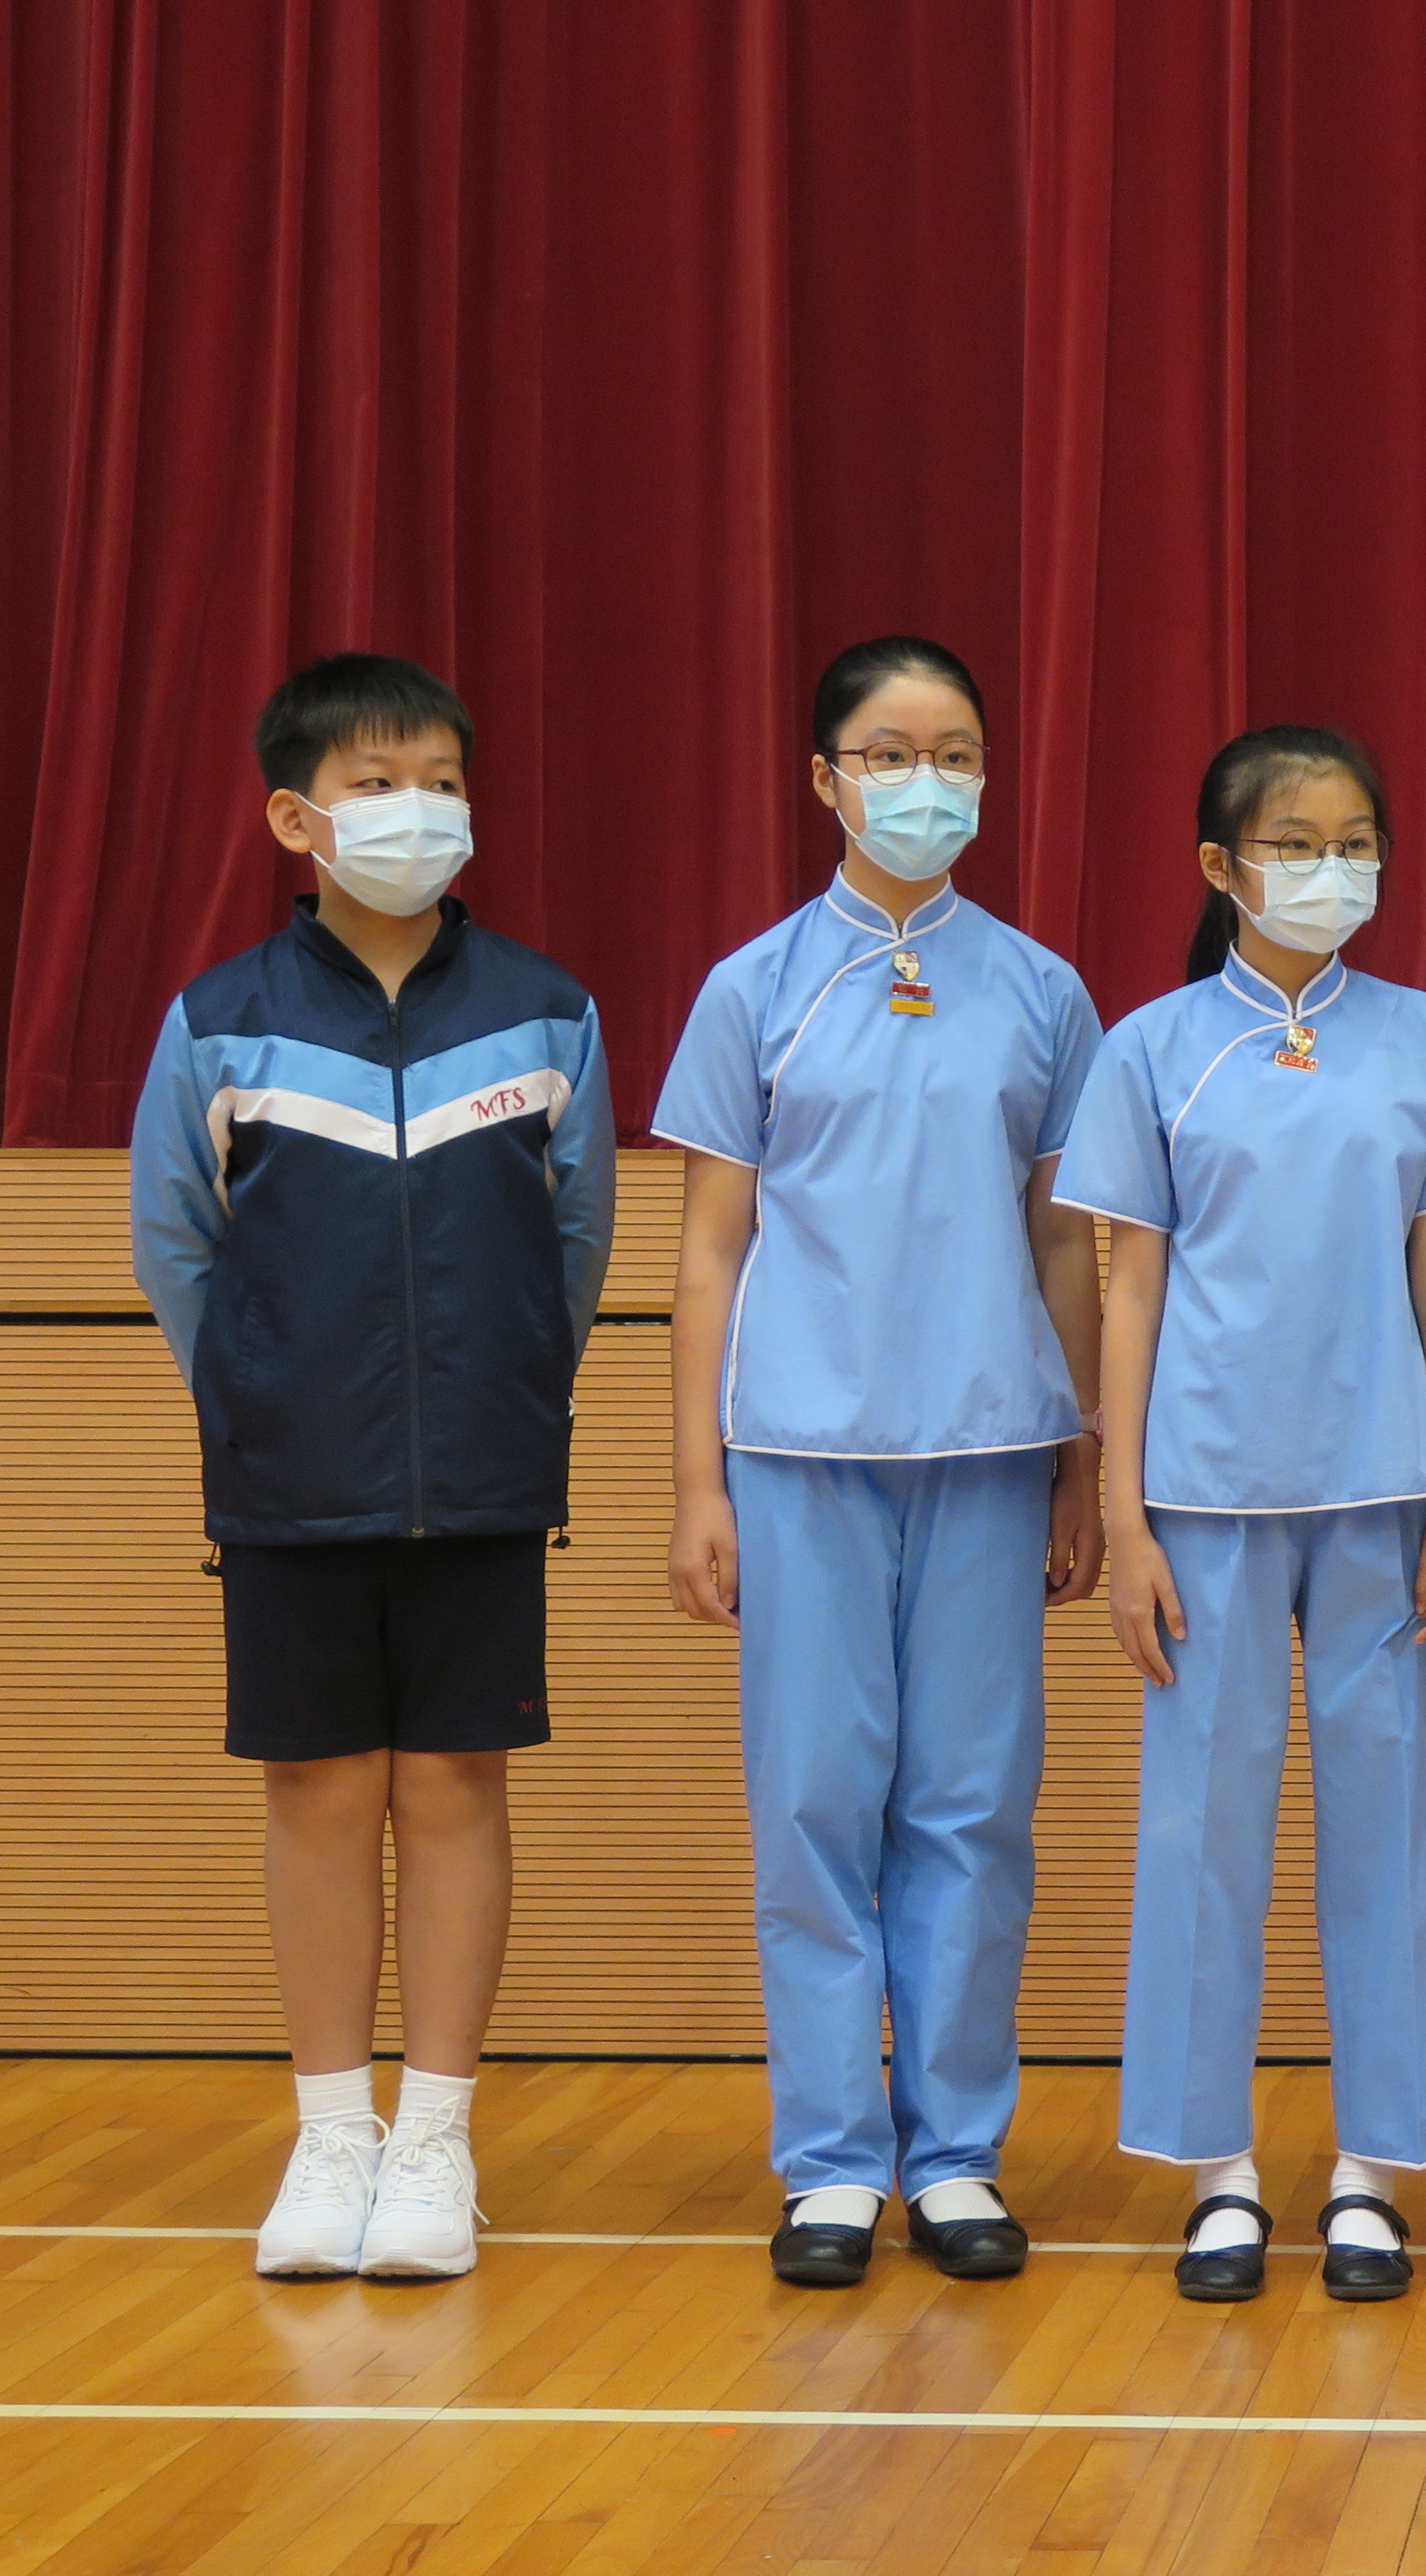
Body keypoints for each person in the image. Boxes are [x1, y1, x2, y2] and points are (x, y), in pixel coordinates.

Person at [131, 652, 614, 2282]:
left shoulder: (547, 1010)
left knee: (457, 1790)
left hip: (481, 1473)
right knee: (322, 1793)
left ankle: (434, 2141)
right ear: (298, 818)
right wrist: (266, 1401)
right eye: (378, 782)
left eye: (441, 781)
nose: (419, 810)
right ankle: (333, 2133)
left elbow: (575, 1244)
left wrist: (509, 1396)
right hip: (294, 1480)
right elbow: (178, 1249)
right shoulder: (220, 1021)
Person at [656, 635, 1103, 2290]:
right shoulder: (755, 987)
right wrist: (697, 1483)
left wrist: (1082, 1461)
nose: (930, 782)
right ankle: (835, 2161)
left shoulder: (1043, 991)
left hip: (991, 1448)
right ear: (826, 780)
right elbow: (710, 1251)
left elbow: (1064, 1243)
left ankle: (959, 2154)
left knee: (974, 1811)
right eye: (893, 753)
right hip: (799, 1452)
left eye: (958, 752)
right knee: (817, 1806)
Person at [1058, 727, 1426, 2307]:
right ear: (1220, 867)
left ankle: (1374, 2169)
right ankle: (1217, 2172)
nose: (1332, 869)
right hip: (1205, 1498)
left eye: (1356, 841)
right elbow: (1131, 1288)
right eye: (1297, 843)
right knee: (1201, 1832)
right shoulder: (1153, 1049)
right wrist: (1125, 1518)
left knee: (1389, 1831)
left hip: (1386, 1498)